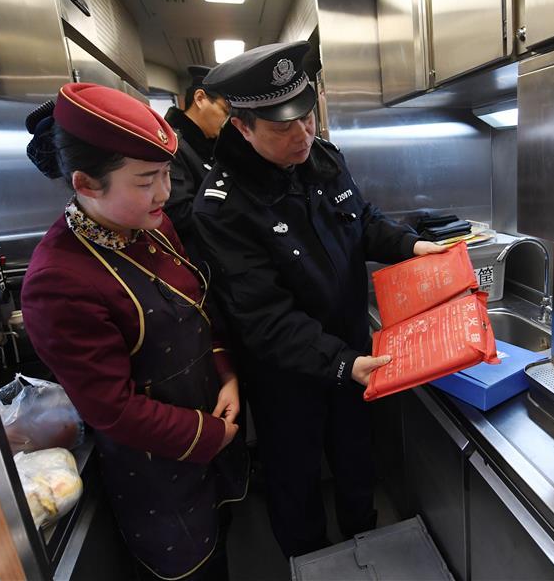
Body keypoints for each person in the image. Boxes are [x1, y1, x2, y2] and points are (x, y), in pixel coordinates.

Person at [189, 41, 446, 557]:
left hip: (351, 350)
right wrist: (342, 362)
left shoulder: (321, 158)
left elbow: (361, 220)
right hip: (288, 375)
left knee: (356, 460)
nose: (302, 134)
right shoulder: (222, 208)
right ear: (242, 126)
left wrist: (410, 245)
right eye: (282, 127)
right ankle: (309, 562)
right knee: (296, 479)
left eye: (306, 117)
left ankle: (365, 545)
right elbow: (264, 317)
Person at [21, 83, 248, 580]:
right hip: (158, 476)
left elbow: (195, 304)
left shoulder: (152, 226)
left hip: (211, 432)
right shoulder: (59, 282)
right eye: (147, 180)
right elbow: (113, 408)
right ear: (85, 182)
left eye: (166, 174)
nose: (164, 194)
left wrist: (225, 372)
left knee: (226, 549)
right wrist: (211, 433)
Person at [164, 66, 230, 254]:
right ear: (200, 99)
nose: (228, 121)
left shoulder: (208, 144)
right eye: (226, 111)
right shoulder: (173, 147)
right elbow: (178, 214)